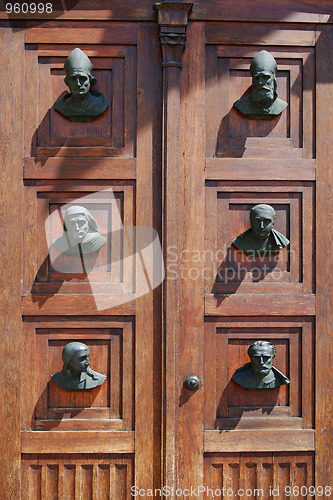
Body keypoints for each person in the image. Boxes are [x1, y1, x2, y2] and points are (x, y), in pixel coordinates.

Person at [54, 47, 108, 121]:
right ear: (67, 82)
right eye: (73, 79)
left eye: (83, 78)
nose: (78, 84)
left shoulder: (99, 105)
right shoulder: (62, 106)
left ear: (90, 81)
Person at [233, 50, 287, 120]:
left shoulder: (281, 105)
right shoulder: (241, 105)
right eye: (257, 78)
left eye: (265, 77)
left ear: (274, 79)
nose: (260, 82)